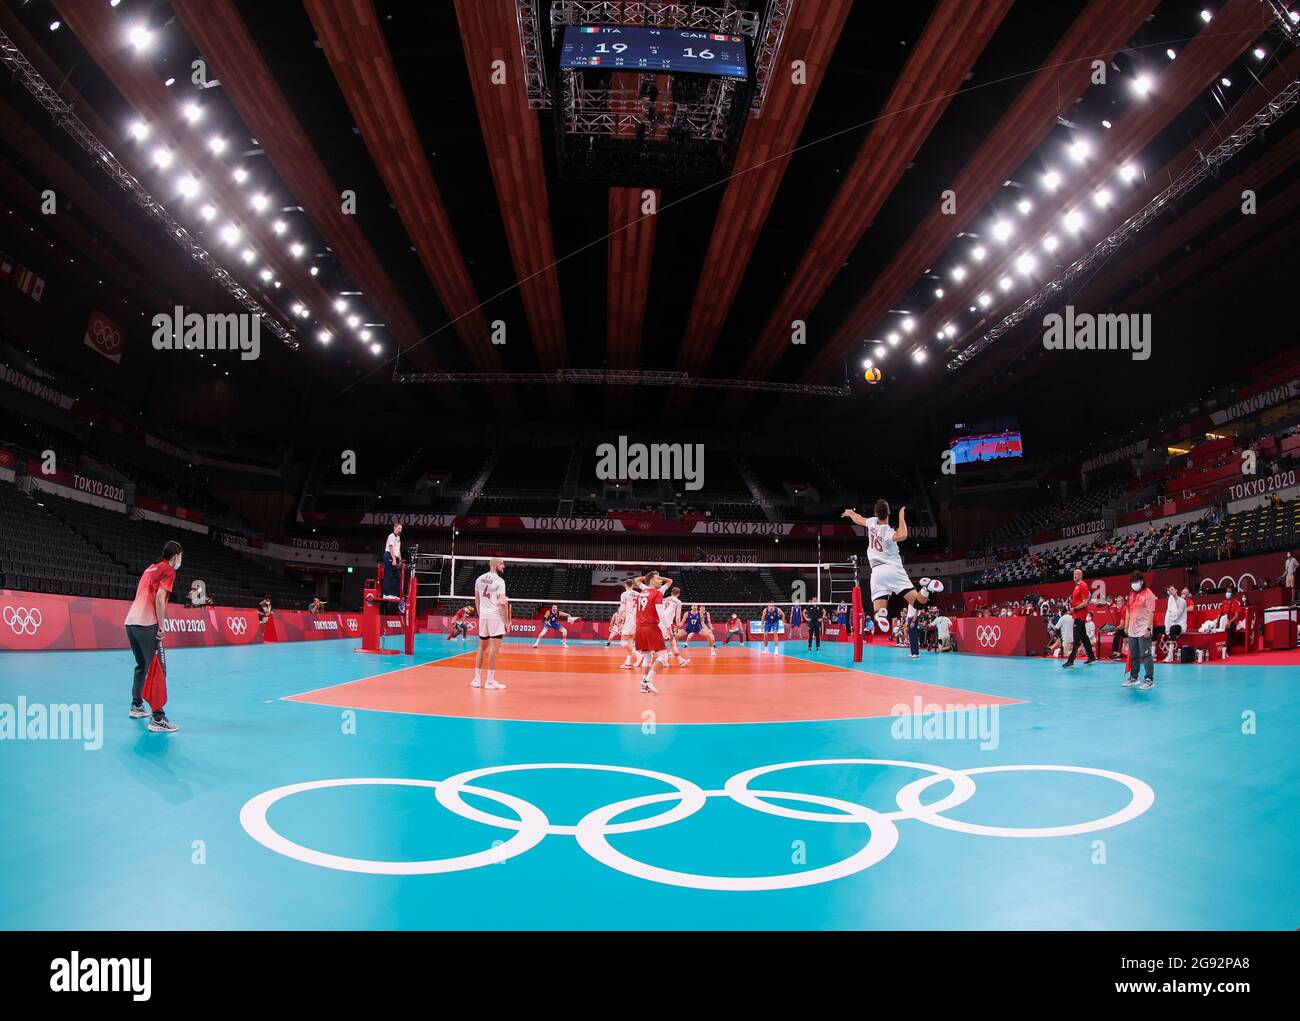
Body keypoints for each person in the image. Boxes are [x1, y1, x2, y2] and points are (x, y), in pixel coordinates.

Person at [842, 501, 943, 636]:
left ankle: (881, 616)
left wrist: (851, 513)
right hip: (893, 570)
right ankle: (926, 588)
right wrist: (901, 517)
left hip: (877, 572)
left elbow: (859, 519)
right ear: (889, 513)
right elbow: (903, 535)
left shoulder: (872, 522)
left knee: (878, 609)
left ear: (875, 514)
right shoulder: (887, 531)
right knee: (918, 604)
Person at [124, 540, 183, 733]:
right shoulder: (168, 570)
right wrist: (161, 624)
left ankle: (136, 705)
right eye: (180, 556)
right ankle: (158, 718)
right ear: (175, 556)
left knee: (142, 665)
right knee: (159, 669)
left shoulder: (151, 568)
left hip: (131, 623)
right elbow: (159, 598)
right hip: (147, 624)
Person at [632, 570, 673, 694]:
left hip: (640, 628)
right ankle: (647, 681)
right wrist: (669, 629)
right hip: (650, 627)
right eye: (658, 578)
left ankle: (644, 687)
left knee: (647, 657)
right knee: (663, 655)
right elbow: (661, 613)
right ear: (651, 581)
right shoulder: (657, 593)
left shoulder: (642, 592)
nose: (660, 580)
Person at [471, 557, 509, 689]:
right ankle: (490, 681)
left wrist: (481, 614)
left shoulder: (479, 579)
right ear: (494, 565)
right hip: (495, 616)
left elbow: (477, 600)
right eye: (501, 563)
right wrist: (506, 622)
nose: (503, 565)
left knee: (481, 648)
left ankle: (476, 680)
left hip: (484, 616)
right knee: (494, 648)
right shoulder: (500, 581)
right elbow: (502, 603)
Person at [1121, 571, 1158, 690]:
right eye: (1132, 581)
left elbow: (1152, 612)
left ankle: (1149, 679)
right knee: (1134, 655)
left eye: (1136, 581)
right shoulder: (1131, 594)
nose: (1134, 584)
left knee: (1146, 655)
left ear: (1142, 581)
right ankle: (1134, 677)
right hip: (1132, 629)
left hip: (1143, 629)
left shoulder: (1149, 594)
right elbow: (1128, 610)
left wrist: (1148, 628)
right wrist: (1126, 626)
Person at [1061, 569, 1098, 668]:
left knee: (1076, 639)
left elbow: (1085, 602)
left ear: (1081, 575)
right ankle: (1092, 657)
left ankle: (1071, 660)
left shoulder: (1083, 586)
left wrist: (1074, 608)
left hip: (1080, 615)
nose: (1074, 576)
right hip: (1077, 615)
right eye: (1073, 574)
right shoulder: (1077, 586)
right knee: (1084, 637)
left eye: (1076, 574)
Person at [617, 578, 640, 669]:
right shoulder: (638, 594)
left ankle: (638, 655)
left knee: (623, 642)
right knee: (630, 641)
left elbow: (622, 608)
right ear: (633, 585)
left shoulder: (624, 594)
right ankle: (628, 662)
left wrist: (618, 620)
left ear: (625, 585)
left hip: (629, 618)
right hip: (637, 619)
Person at [1162, 585, 1187, 663]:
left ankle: (1170, 656)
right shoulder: (1170, 601)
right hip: (1172, 624)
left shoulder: (1182, 601)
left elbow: (1177, 615)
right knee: (1156, 629)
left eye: (1172, 589)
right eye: (1169, 591)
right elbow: (1168, 616)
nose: (1171, 591)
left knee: (1172, 628)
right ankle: (1152, 655)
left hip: (1181, 625)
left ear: (1176, 590)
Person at [383, 522, 404, 612]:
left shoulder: (398, 538)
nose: (400, 530)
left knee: (398, 576)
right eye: (399, 528)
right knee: (389, 575)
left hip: (394, 556)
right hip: (388, 555)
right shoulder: (391, 536)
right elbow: (391, 548)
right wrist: (394, 559)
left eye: (401, 528)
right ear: (395, 528)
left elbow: (397, 550)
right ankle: (386, 594)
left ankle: (393, 593)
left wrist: (400, 559)